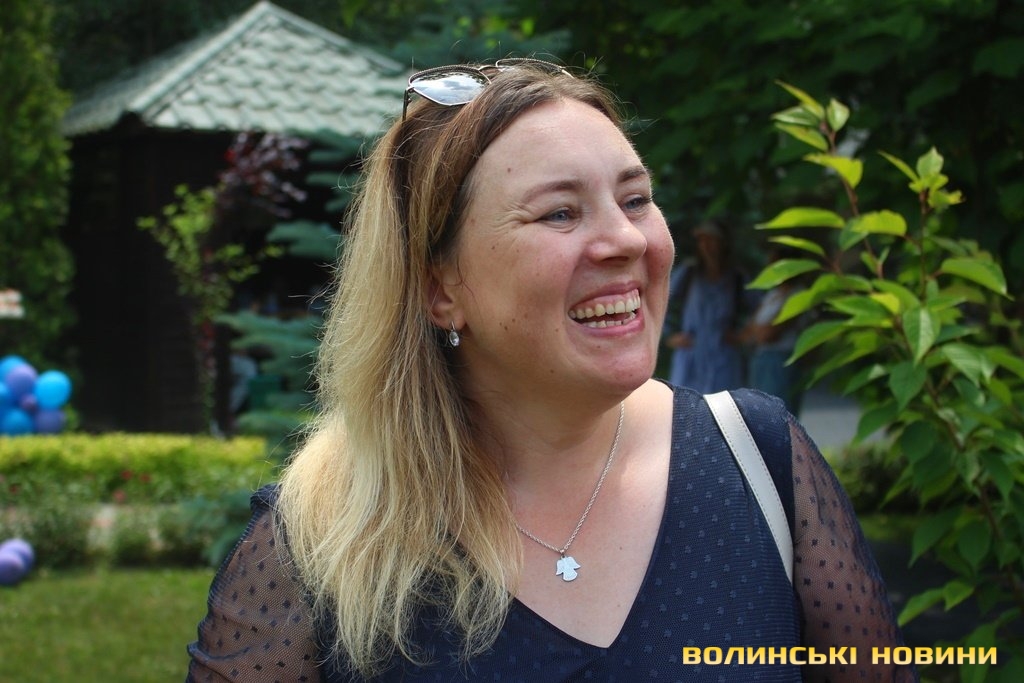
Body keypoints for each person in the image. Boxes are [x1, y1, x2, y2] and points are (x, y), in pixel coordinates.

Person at [187, 59, 916, 682]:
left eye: (636, 199)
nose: (626, 239)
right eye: (561, 213)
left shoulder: (759, 460)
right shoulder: (317, 545)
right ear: (441, 289)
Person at [663, 219, 755, 393]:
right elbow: (660, 299)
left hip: (724, 356)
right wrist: (669, 335)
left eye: (711, 239)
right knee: (687, 404)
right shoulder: (689, 273)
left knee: (725, 403)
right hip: (691, 355)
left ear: (723, 243)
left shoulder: (736, 277)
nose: (706, 245)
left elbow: (759, 307)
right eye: (702, 240)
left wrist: (743, 335)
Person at [740, 246, 810, 415]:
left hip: (781, 360)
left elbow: (769, 333)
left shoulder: (798, 295)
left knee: (778, 415)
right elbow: (748, 331)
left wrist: (759, 330)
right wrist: (758, 331)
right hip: (761, 358)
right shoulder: (773, 294)